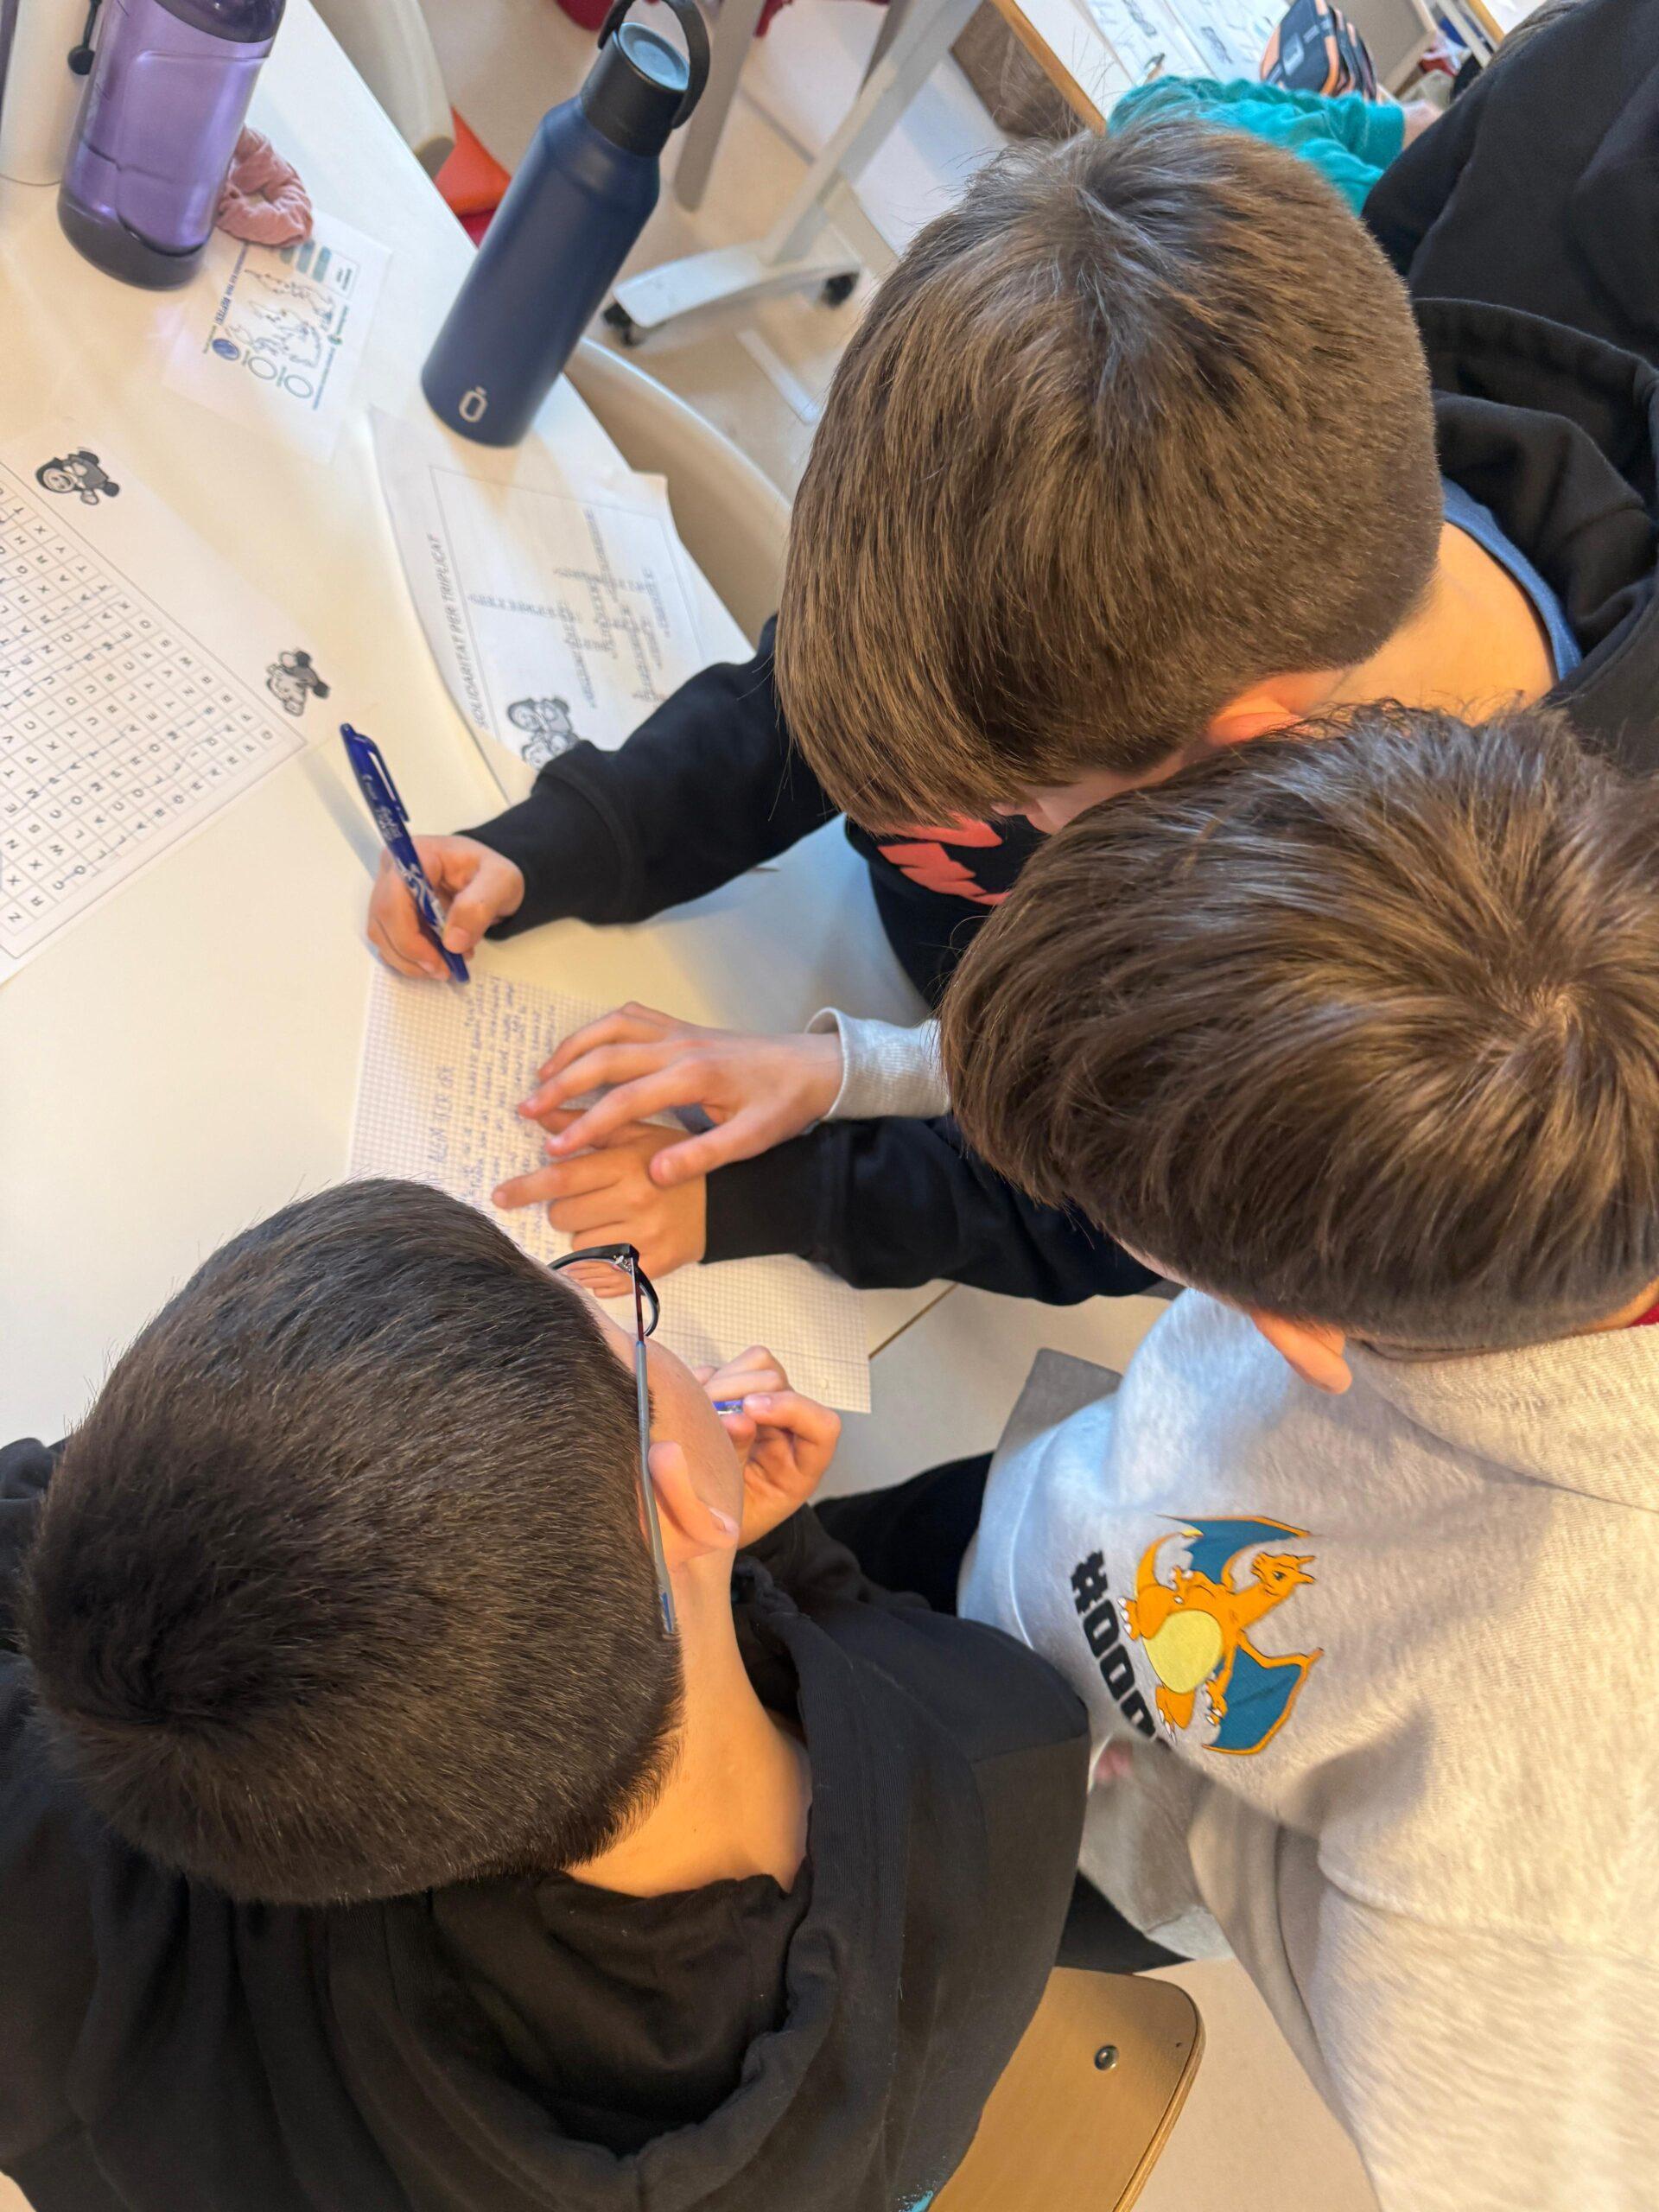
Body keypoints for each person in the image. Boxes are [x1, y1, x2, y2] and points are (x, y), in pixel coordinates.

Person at [365, 84, 1659, 1304]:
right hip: (877, 1007)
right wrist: (561, 846)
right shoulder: (1128, 577)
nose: (937, 811)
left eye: (1019, 796)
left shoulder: (1441, 991)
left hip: (1006, 1154)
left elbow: (1124, 1198)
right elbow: (823, 697)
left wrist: (787, 1191)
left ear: (1235, 763)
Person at [828, 705, 1659, 2210]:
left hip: (1072, 1824)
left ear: (1301, 1330)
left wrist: (1216, 1819)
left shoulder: (1537, 1844)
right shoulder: (1533, 1094)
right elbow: (1166, 1028)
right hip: (1051, 1522)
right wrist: (848, 1072)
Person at [0, 1181, 1088, 2212]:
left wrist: (710, 1559)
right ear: (676, 1494)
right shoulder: (1009, 1752)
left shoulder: (91, 1940)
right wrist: (769, 1563)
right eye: (609, 1314)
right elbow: (869, 1648)